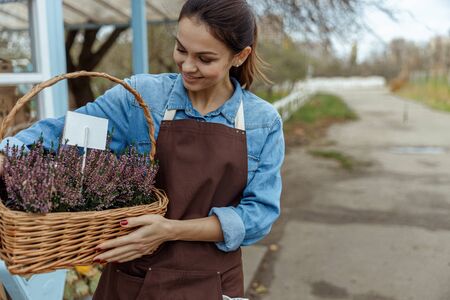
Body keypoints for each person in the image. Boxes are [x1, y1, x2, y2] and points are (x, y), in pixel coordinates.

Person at [0, 0, 284, 298]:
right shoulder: (142, 97)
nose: (187, 66)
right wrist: (9, 153)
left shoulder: (262, 123)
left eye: (205, 58)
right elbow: (65, 132)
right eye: (181, 49)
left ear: (239, 56)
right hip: (131, 279)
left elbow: (258, 216)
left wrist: (169, 229)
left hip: (213, 284)